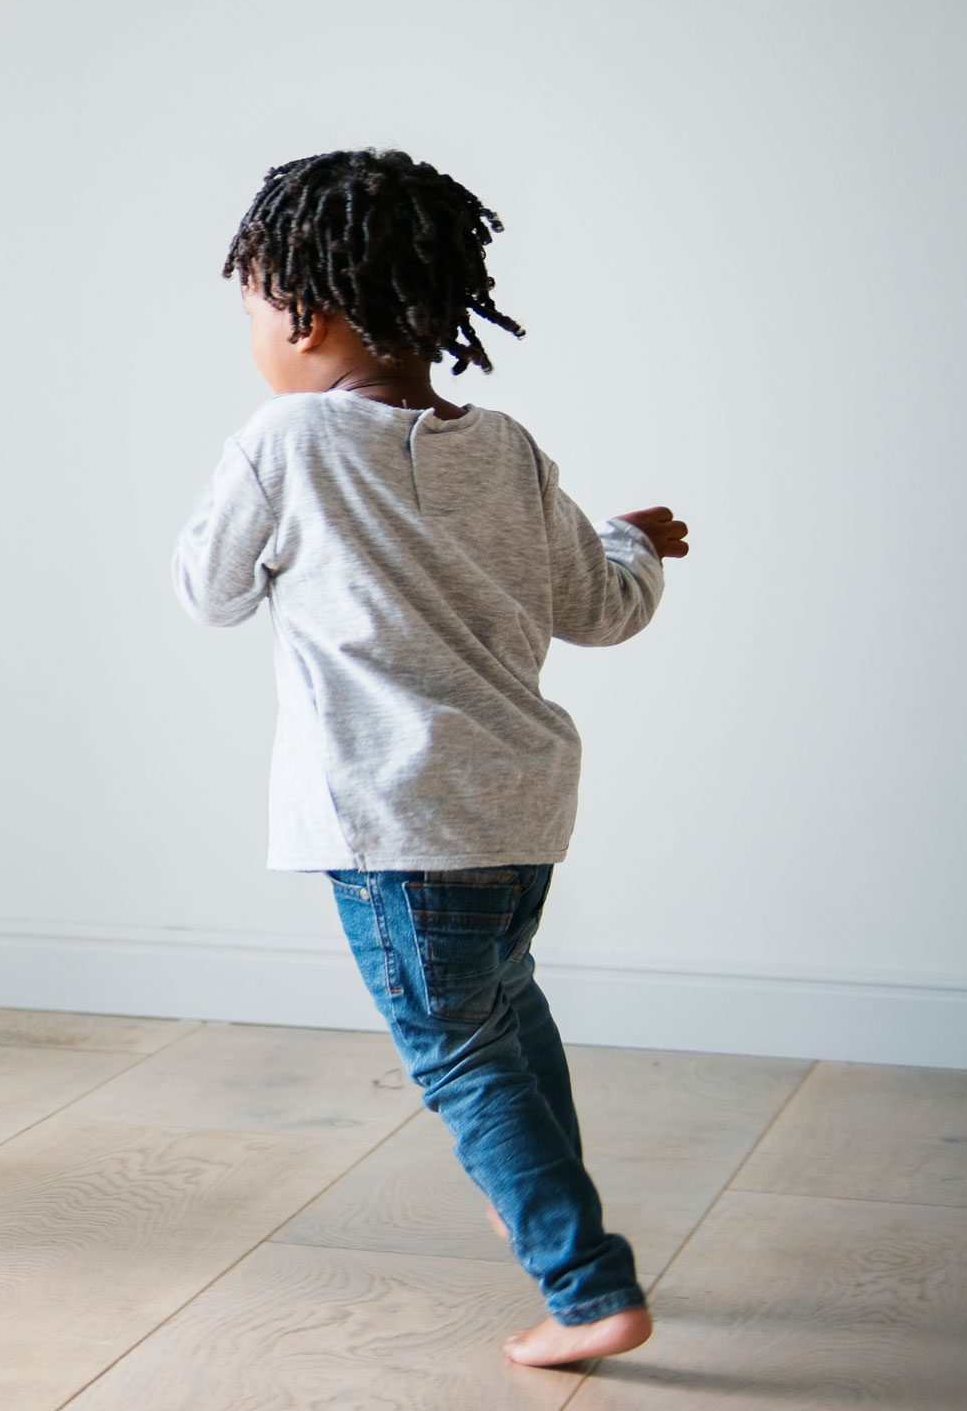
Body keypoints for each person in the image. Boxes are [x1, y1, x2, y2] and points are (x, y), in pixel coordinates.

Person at [174, 148, 687, 1368]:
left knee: (460, 1059)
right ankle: (589, 1256)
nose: (250, 332)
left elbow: (211, 591)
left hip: (391, 827)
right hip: (519, 816)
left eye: (251, 303)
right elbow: (603, 607)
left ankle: (587, 1288)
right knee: (510, 1020)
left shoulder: (282, 442)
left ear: (313, 310)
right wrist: (635, 540)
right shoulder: (505, 447)